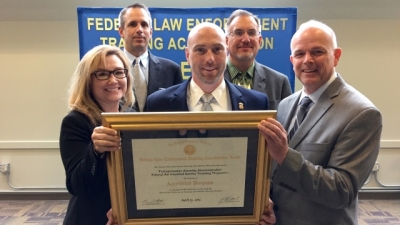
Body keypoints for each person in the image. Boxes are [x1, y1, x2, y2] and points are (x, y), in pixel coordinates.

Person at [106, 22, 276, 225]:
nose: (210, 58)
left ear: (227, 50)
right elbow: (148, 165)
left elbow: (260, 164)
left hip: (234, 216)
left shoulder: (256, 103)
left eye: (217, 49)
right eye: (200, 50)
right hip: (175, 217)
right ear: (187, 54)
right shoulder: (158, 103)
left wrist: (261, 200)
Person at [258, 20, 382, 225]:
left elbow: (341, 190)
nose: (307, 60)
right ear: (292, 60)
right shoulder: (286, 105)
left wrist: (285, 155)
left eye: (317, 52)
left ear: (336, 56)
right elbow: (276, 173)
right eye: (299, 54)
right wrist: (266, 201)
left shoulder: (362, 113)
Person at [59, 45, 135, 225]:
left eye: (118, 72)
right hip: (91, 217)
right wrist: (95, 151)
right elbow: (77, 186)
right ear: (87, 81)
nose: (113, 80)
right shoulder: (75, 122)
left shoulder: (132, 117)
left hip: (128, 215)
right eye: (102, 74)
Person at [118, 3, 183, 111]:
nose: (139, 29)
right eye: (133, 24)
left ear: (150, 32)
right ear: (121, 32)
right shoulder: (109, 70)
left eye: (144, 24)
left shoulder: (171, 70)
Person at [224, 9, 292, 110]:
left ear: (259, 41)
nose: (246, 39)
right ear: (226, 41)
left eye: (251, 33)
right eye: (238, 33)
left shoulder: (279, 82)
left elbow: (287, 123)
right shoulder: (212, 79)